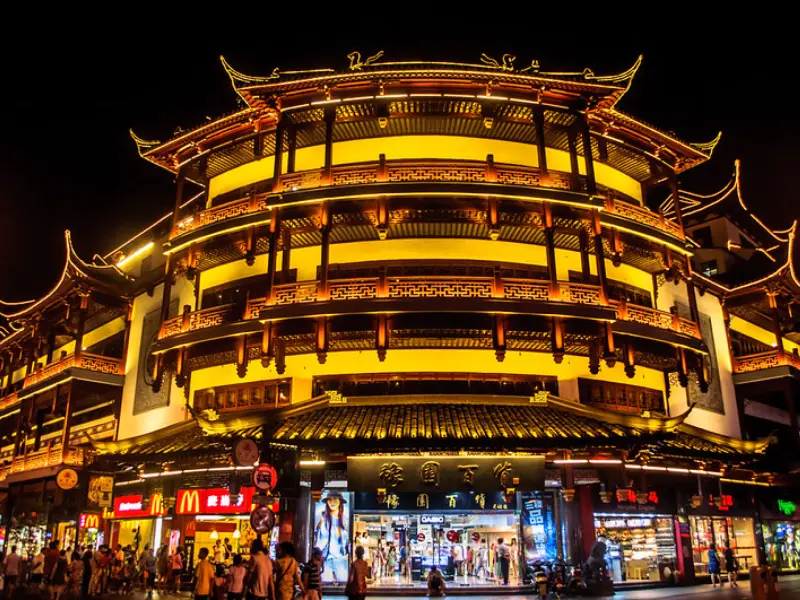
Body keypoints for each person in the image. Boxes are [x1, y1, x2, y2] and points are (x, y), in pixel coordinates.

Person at [314, 491, 349, 583]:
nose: (332, 502)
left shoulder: (345, 520)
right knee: (326, 583)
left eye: (335, 499)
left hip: (340, 558)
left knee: (343, 582)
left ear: (340, 501)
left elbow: (347, 540)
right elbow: (317, 538)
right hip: (326, 558)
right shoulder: (321, 518)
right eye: (330, 499)